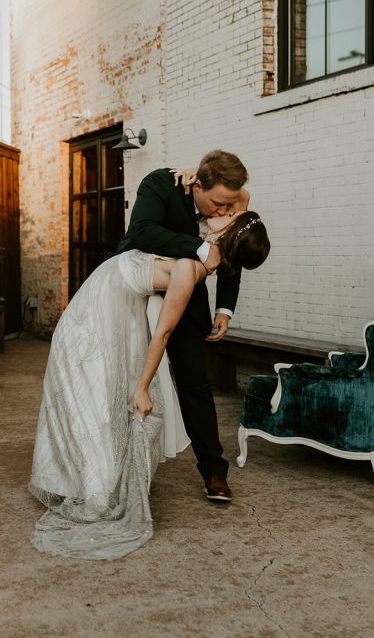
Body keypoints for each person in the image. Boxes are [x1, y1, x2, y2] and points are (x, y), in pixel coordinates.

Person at [28, 210, 270, 560]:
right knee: (91, 393)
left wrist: (142, 387)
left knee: (103, 397)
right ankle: (78, 481)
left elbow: (164, 332)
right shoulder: (198, 251)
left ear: (227, 237)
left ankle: (93, 488)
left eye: (228, 218)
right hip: (104, 304)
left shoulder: (190, 268)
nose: (221, 214)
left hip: (109, 306)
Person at [114, 150, 251, 503]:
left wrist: (225, 308)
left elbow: (232, 248)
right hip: (136, 295)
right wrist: (199, 248)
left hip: (188, 301)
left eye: (229, 205)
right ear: (198, 185)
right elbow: (142, 232)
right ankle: (116, 466)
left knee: (195, 383)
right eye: (219, 204)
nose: (223, 212)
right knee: (123, 376)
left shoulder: (226, 199)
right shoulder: (161, 183)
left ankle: (214, 471)